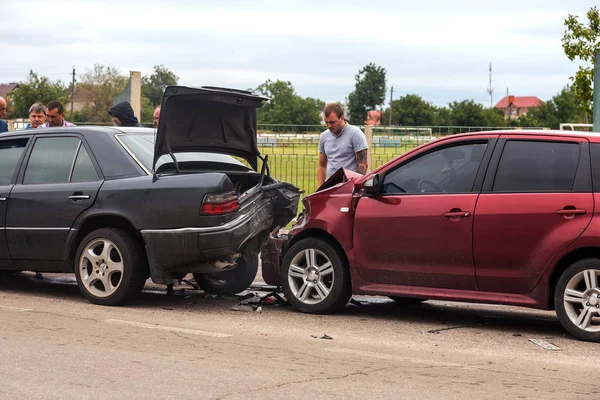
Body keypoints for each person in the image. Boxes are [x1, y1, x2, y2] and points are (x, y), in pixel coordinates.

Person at [317, 103, 369, 187]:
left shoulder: (355, 134)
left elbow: (362, 165)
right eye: (326, 122)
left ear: (342, 118)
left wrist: (353, 186)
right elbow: (322, 165)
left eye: (332, 122)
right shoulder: (324, 136)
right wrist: (320, 188)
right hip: (330, 187)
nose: (329, 126)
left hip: (349, 187)